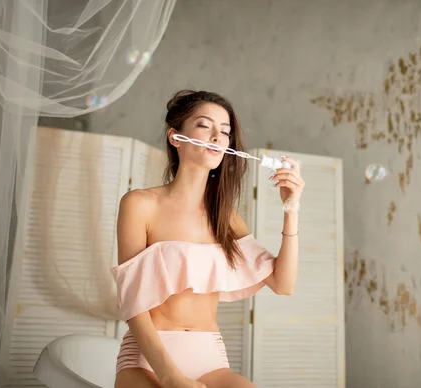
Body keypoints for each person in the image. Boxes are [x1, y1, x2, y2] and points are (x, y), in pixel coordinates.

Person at [111, 90, 304, 388]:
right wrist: (169, 375)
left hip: (210, 359)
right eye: (205, 126)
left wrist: (291, 207)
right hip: (147, 361)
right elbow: (133, 301)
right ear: (176, 138)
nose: (217, 137)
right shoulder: (139, 204)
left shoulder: (224, 216)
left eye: (225, 132)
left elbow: (284, 284)